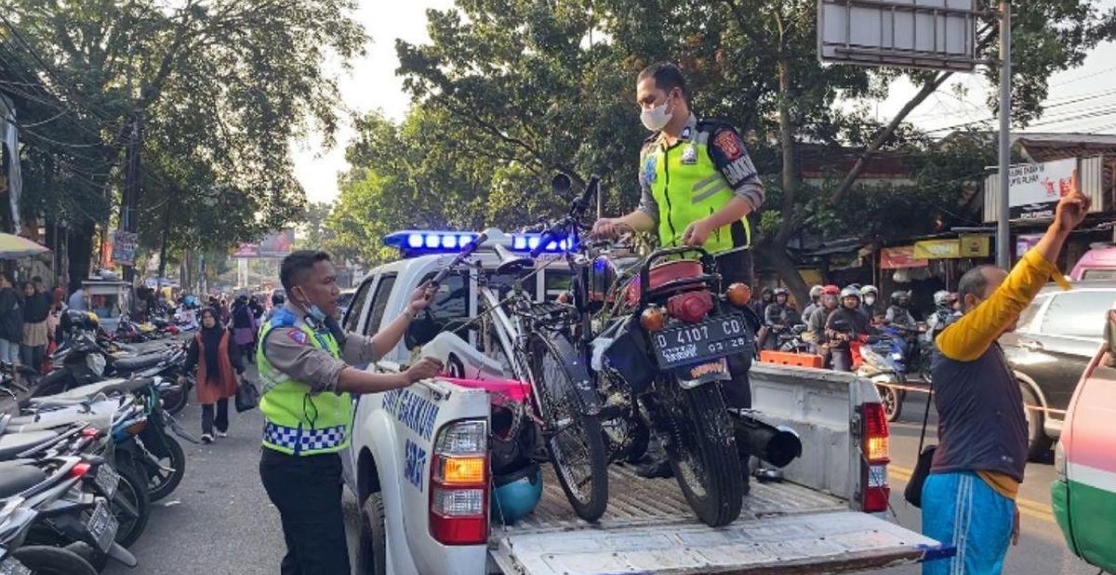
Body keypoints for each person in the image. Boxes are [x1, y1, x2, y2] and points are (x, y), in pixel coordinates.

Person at [921, 177, 1089, 575]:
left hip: (985, 494)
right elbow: (1018, 290)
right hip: (967, 489)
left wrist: (1004, 500)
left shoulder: (986, 349)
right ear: (972, 304)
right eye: (1002, 297)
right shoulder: (958, 339)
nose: (1015, 305)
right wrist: (1059, 229)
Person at [258, 250, 443, 574]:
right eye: (328, 282)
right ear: (300, 292)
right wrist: (405, 377)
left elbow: (369, 349)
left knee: (303, 559)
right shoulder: (284, 335)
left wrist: (410, 311)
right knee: (326, 564)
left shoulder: (320, 326)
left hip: (318, 462)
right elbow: (339, 377)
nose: (335, 290)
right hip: (295, 466)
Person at [180, 307, 245, 443]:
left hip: (223, 373)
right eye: (205, 318)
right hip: (205, 375)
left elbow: (234, 354)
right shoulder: (199, 337)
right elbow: (192, 356)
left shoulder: (225, 335)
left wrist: (240, 369)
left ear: (216, 318)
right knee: (207, 403)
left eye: (210, 317)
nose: (207, 320)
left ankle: (221, 427)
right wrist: (183, 373)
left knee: (222, 401)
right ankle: (207, 431)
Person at [825, 286, 872, 372]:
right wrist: (838, 335)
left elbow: (868, 329)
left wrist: (881, 334)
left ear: (857, 301)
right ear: (842, 300)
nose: (850, 301)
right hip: (841, 348)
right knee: (843, 373)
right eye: (848, 299)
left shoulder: (861, 315)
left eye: (853, 299)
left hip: (859, 348)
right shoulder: (836, 314)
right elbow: (827, 331)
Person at [20, 279, 50, 373]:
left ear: (34, 289)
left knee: (39, 354)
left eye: (31, 288)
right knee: (27, 354)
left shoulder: (41, 298)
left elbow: (45, 311)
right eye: (26, 288)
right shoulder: (22, 300)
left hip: (40, 328)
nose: (28, 291)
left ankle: (37, 372)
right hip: (27, 328)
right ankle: (30, 375)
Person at [805, 285, 840, 363]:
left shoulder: (842, 312)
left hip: (839, 343)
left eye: (833, 298)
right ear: (823, 299)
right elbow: (813, 331)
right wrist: (823, 343)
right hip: (821, 342)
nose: (831, 301)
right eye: (828, 299)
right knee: (820, 358)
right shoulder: (817, 313)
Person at [0, 273, 22, 377]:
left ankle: (8, 381)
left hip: (5, 330)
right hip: (16, 330)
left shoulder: (5, 294)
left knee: (5, 358)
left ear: (8, 281)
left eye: (1, 279)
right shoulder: (16, 294)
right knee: (14, 357)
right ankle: (16, 382)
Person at [231, 294, 257, 364]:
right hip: (246, 329)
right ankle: (250, 359)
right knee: (249, 346)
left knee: (238, 346)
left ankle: (238, 361)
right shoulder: (246, 308)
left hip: (237, 329)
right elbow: (251, 319)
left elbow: (232, 319)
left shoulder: (234, 308)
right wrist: (253, 329)